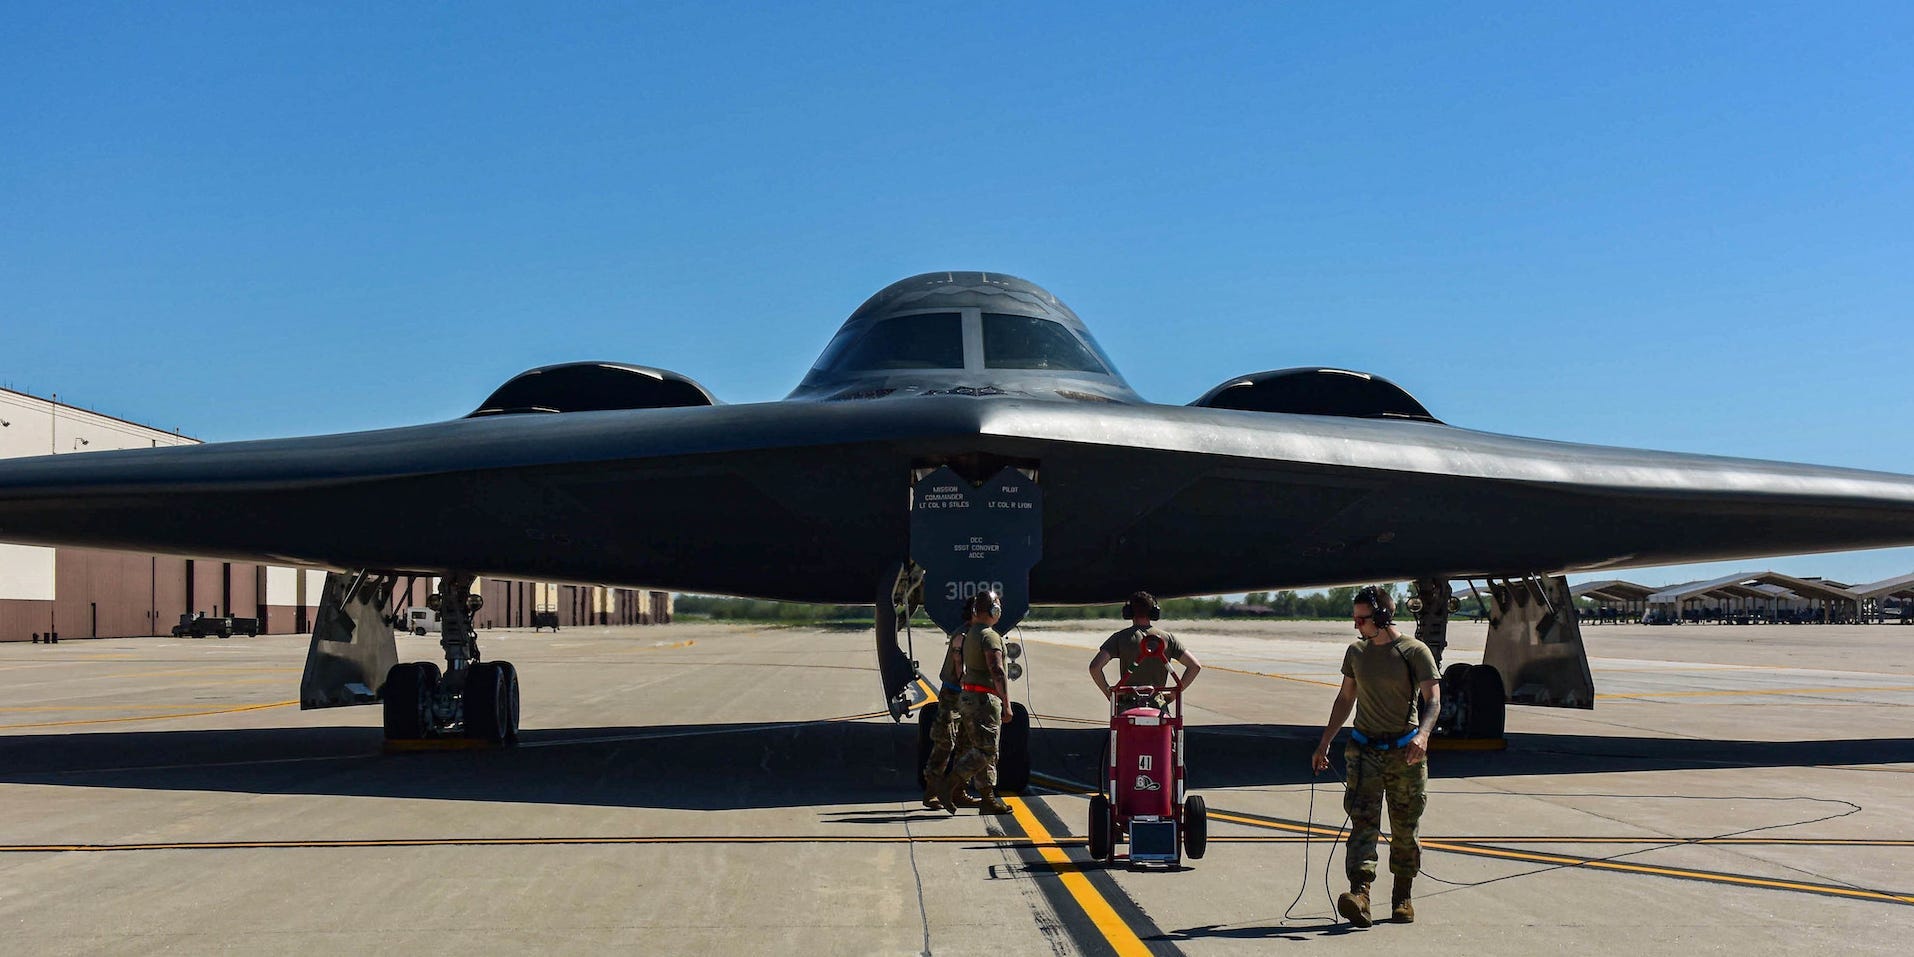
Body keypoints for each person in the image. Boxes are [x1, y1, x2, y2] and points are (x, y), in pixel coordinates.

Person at [1310, 585, 1440, 927]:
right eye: (1354, 619)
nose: (1357, 626)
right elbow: (1344, 699)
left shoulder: (1415, 651)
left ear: (1382, 617)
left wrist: (1423, 736)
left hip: (1405, 752)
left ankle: (1402, 897)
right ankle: (1361, 895)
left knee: (1404, 828)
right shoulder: (1356, 652)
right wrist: (1324, 742)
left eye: (1362, 619)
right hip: (1364, 750)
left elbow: (1434, 700)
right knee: (1362, 825)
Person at [935, 590, 1017, 816]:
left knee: (981, 748)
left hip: (969, 697)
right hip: (984, 699)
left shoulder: (969, 633)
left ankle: (987, 797)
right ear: (994, 610)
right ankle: (950, 782)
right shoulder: (989, 636)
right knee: (986, 749)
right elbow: (997, 671)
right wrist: (1006, 703)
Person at [1089, 591, 1202, 710]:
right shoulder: (1168, 638)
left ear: (1128, 612)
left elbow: (1094, 667)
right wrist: (1174, 693)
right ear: (1154, 612)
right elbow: (1195, 666)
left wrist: (1109, 693)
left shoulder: (1119, 637)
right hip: (1157, 705)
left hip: (1128, 705)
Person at [921, 606, 979, 810]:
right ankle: (931, 791)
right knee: (945, 741)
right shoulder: (962, 635)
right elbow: (959, 666)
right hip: (954, 693)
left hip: (970, 694)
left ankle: (958, 792)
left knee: (966, 743)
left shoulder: (979, 634)